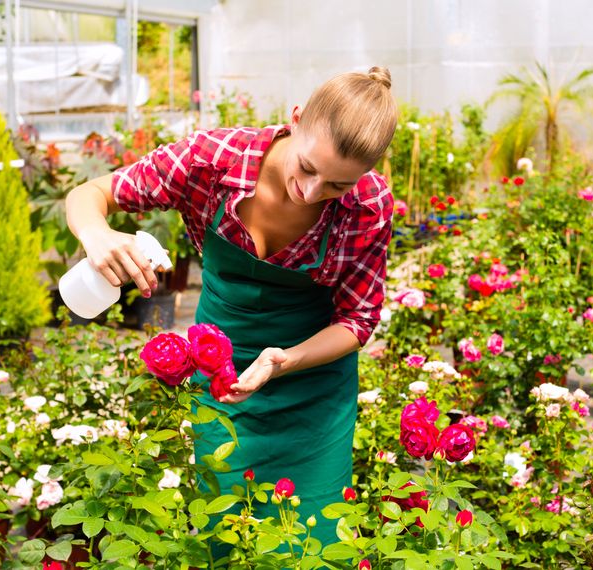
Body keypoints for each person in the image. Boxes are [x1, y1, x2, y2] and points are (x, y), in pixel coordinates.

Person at [65, 66, 398, 549]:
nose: (310, 191)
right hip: (219, 382)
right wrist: (97, 235)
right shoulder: (213, 161)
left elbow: (357, 319)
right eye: (307, 167)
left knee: (317, 544)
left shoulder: (369, 206)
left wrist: (287, 360)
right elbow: (90, 194)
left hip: (313, 395)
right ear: (296, 119)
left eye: (335, 186)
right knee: (229, 538)